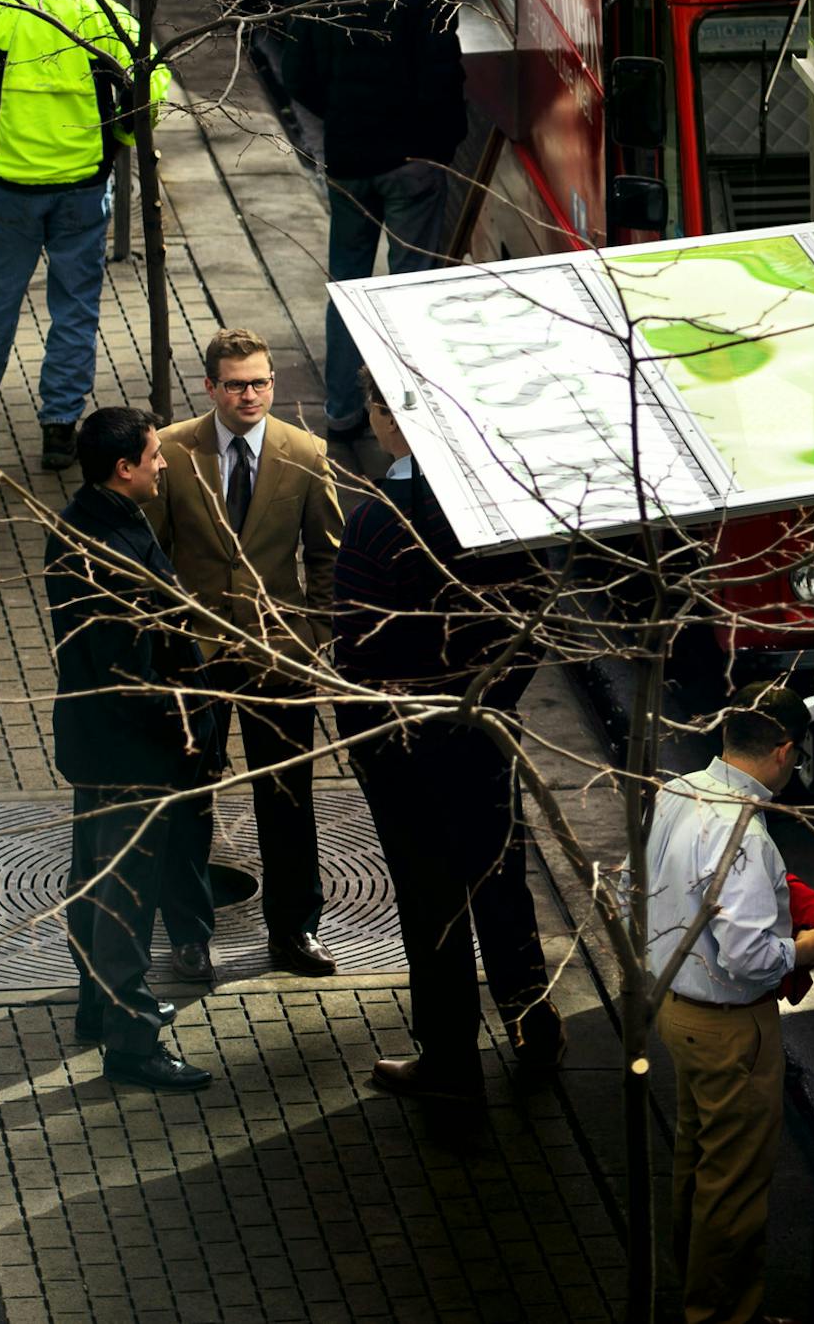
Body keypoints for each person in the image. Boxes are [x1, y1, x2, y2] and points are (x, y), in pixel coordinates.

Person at [334, 369, 563, 1098]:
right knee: (501, 884)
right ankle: (534, 1027)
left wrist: (368, 747)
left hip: (405, 752)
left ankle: (449, 1056)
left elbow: (356, 657)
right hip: (483, 737)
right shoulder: (499, 510)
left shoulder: (373, 522)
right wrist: (492, 701)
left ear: (384, 419)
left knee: (431, 905)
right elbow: (533, 625)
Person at [151, 327, 344, 981]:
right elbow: (151, 561)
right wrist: (167, 646)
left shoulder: (305, 453)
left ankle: (295, 929)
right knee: (188, 797)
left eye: (260, 381)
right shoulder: (174, 452)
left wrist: (312, 638)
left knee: (288, 798)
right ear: (210, 387)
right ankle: (188, 936)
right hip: (196, 659)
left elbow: (328, 557)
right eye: (236, 383)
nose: (250, 394)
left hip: (278, 657)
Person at [0, 0, 172, 470]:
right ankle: (58, 430)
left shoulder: (0, 14)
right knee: (74, 310)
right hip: (81, 191)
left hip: (11, 189)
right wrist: (112, 146)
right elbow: (151, 93)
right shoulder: (108, 21)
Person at [645, 686, 814, 1324]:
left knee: (697, 1167)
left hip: (677, 1011)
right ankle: (725, 1316)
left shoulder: (676, 792)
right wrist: (803, 950)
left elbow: (630, 887)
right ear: (783, 751)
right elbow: (749, 957)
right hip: (730, 1032)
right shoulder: (745, 838)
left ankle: (700, 1295)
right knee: (734, 1188)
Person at [45, 406, 211, 1091]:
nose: (162, 463)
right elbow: (126, 674)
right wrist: (187, 721)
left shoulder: (89, 516)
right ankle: (131, 1039)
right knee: (123, 898)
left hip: (96, 742)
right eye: (153, 455)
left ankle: (100, 1008)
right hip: (129, 751)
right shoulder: (109, 549)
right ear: (124, 468)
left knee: (93, 882)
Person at [280, 0, 466, 442]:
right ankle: (412, 415)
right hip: (412, 166)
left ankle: (342, 409)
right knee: (410, 290)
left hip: (351, 164)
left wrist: (341, 124)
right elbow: (445, 90)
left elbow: (299, 78)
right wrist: (436, 152)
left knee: (349, 288)